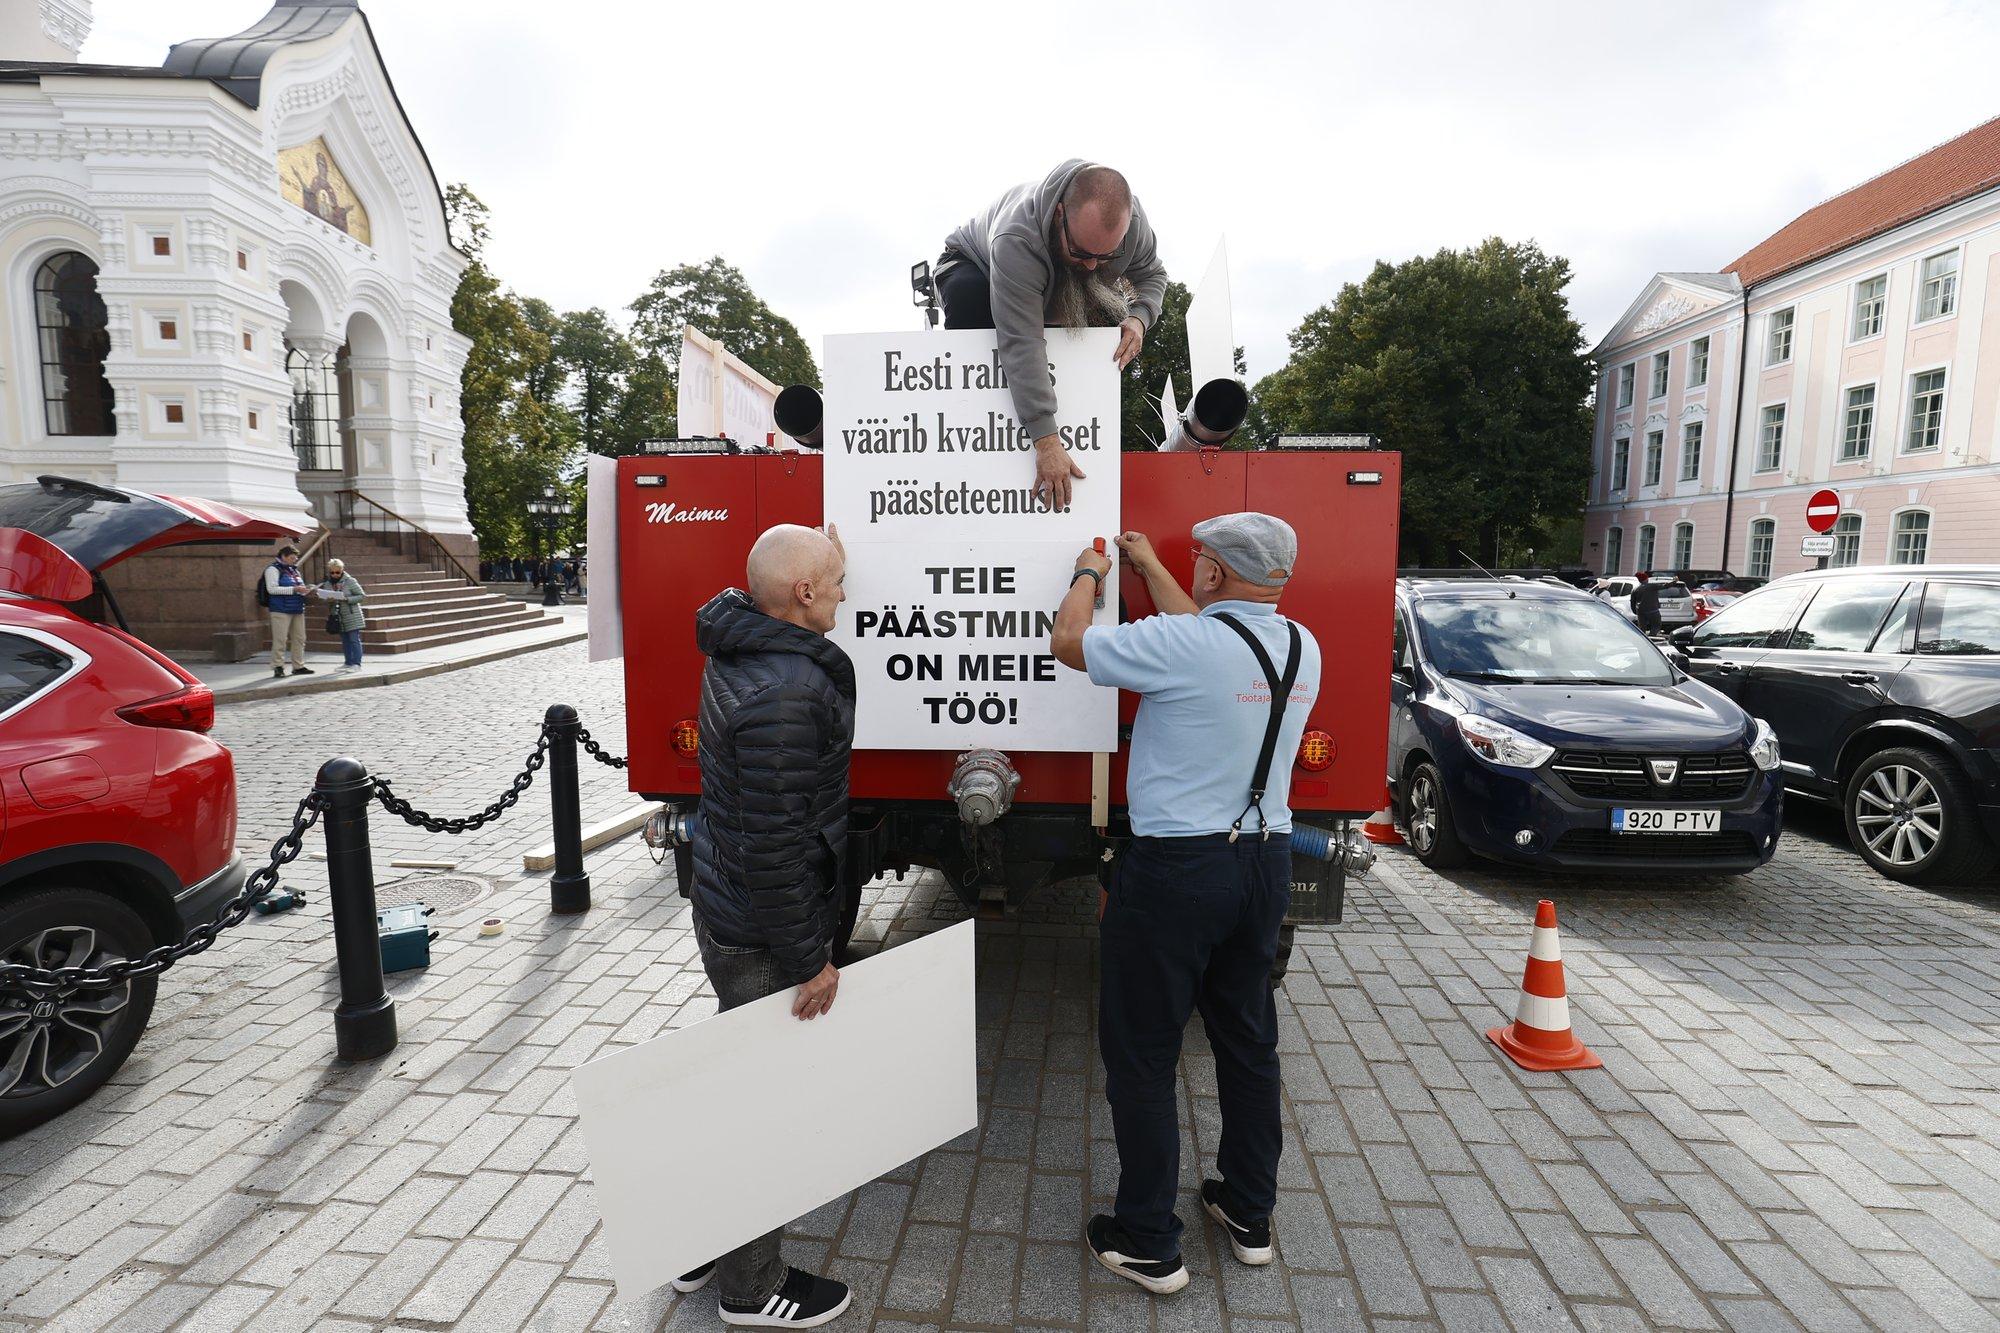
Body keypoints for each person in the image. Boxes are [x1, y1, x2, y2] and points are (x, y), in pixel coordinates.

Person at [1051, 513, 1322, 1295]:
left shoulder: (1184, 644)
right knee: (1246, 1039)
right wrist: (1153, 566)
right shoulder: (1302, 645)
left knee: (1142, 1052)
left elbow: (1068, 644)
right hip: (1265, 862)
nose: (1192, 566)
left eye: (1200, 558)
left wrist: (1092, 574)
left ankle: (1147, 1239)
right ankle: (1248, 1209)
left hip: (1177, 869)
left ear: (1214, 572)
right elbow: (1213, 636)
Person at [678, 522, 855, 1328]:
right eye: (838, 580)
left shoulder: (743, 641)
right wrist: (809, 957)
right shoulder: (788, 689)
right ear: (805, 594)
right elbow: (779, 848)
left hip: (723, 902)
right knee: (762, 1102)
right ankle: (751, 1288)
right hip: (759, 925)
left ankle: (700, 1243)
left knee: (732, 1073)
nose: (846, 594)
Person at [938, 160, 1169, 510]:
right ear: (1060, 215)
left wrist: (1139, 318)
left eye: (1106, 255)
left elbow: (1153, 276)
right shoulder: (1016, 236)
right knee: (971, 301)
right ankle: (971, 441)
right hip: (976, 270)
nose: (1092, 265)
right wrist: (1046, 442)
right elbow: (1022, 342)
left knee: (1109, 310)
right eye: (1082, 252)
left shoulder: (1131, 225)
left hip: (1051, 286)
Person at [264, 544, 312, 678]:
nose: (294, 560)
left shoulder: (294, 571)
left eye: (295, 558)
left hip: (297, 608)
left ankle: (298, 666)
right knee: (280, 639)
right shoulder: (272, 569)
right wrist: (294, 590)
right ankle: (278, 666)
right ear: (283, 557)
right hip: (280, 609)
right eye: (292, 557)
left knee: (300, 638)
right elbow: (272, 589)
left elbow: (298, 586)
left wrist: (305, 589)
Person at [318, 558, 367, 670]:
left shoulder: (350, 581)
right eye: (332, 572)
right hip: (338, 616)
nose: (335, 575)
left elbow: (361, 596)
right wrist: (328, 600)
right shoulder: (327, 584)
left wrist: (347, 599)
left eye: (337, 572)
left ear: (342, 570)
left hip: (352, 614)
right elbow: (324, 598)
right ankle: (348, 662)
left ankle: (357, 664)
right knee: (345, 640)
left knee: (354, 639)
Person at [1631, 570, 1663, 635]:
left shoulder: (1635, 589)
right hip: (1653, 610)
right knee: (1656, 625)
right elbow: (1664, 586)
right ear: (1645, 579)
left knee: (1642, 628)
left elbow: (1632, 602)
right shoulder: (1652, 586)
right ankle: (1652, 637)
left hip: (1640, 611)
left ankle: (1642, 639)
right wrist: (1674, 583)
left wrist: (1635, 611)